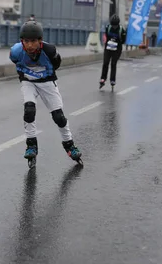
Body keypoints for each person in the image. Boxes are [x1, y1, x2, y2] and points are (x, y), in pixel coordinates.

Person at [9, 20, 82, 162]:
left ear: (40, 41)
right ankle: (31, 145)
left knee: (59, 117)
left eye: (33, 41)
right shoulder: (16, 52)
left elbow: (56, 65)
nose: (29, 45)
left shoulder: (49, 51)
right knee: (29, 110)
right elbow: (16, 63)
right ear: (21, 41)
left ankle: (69, 145)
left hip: (47, 83)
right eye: (26, 41)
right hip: (29, 82)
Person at [100, 14, 127, 89]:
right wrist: (109, 41)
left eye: (115, 25)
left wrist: (116, 42)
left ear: (118, 24)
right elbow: (106, 36)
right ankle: (103, 78)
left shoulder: (122, 30)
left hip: (117, 49)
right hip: (108, 47)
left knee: (113, 63)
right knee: (105, 62)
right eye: (113, 25)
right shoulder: (108, 27)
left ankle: (112, 80)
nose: (114, 27)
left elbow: (123, 40)